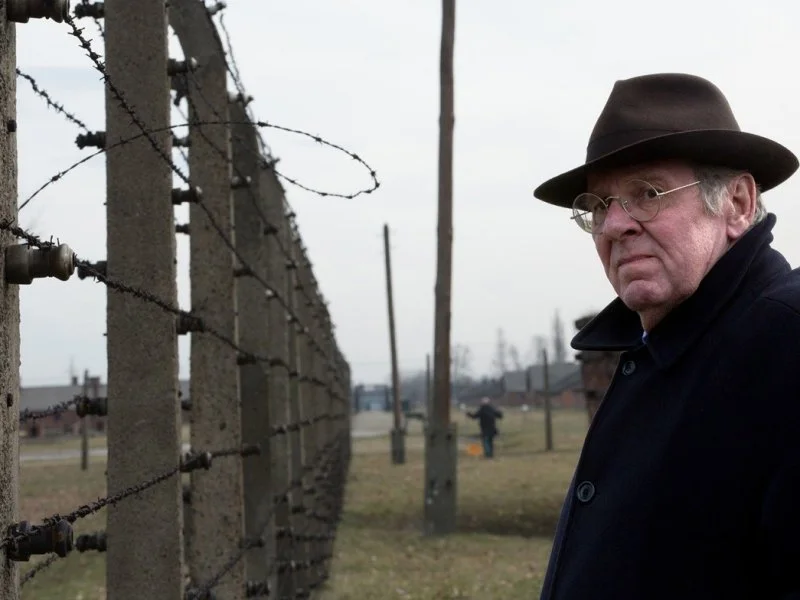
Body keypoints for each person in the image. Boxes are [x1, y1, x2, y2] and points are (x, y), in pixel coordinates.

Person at [532, 73, 800, 599]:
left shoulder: (787, 342)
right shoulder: (659, 349)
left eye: (648, 193)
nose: (614, 226)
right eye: (599, 205)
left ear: (737, 203)